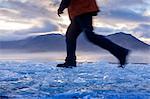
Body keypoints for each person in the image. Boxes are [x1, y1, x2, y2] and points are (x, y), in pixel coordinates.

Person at [57, 0, 129, 68]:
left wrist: (62, 7)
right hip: (82, 9)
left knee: (90, 36)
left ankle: (121, 52)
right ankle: (70, 61)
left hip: (82, 8)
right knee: (70, 36)